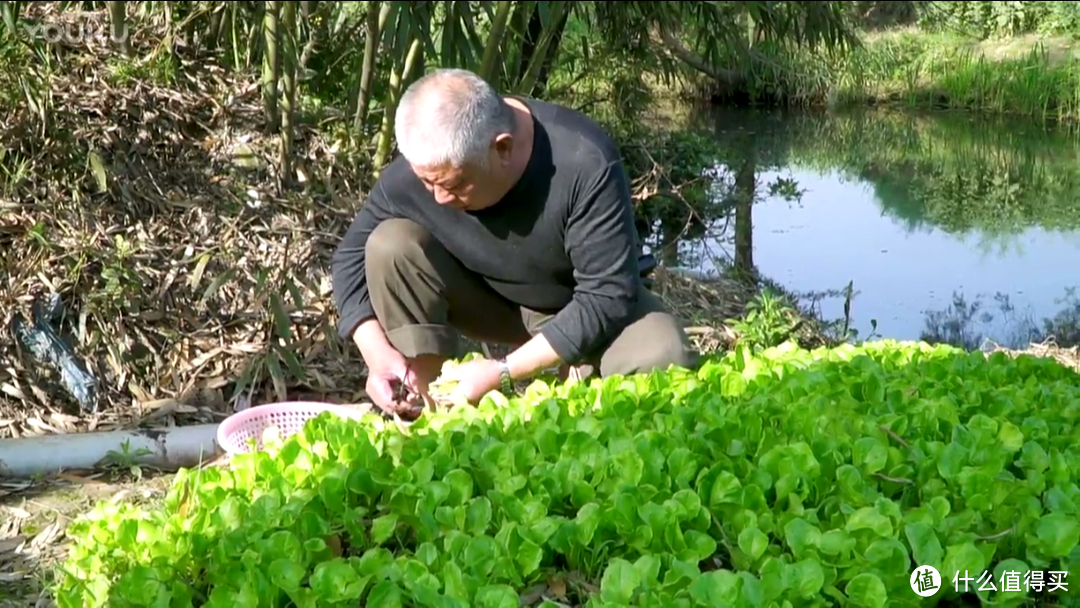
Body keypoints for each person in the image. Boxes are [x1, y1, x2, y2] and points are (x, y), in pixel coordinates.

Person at [330, 68, 696, 416]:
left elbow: (608, 295)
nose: (438, 197)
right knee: (389, 245)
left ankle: (576, 370)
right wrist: (377, 357)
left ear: (502, 149)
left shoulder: (584, 161)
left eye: (454, 185)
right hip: (488, 301)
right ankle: (425, 405)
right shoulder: (431, 167)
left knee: (663, 355)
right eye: (429, 183)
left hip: (573, 303)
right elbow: (348, 259)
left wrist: (504, 372)